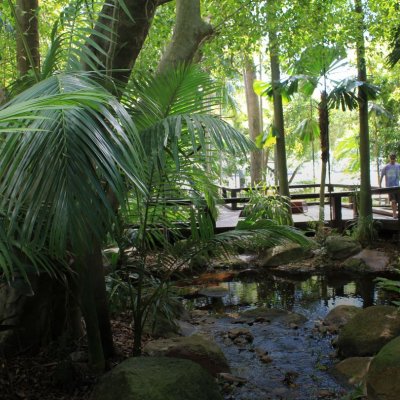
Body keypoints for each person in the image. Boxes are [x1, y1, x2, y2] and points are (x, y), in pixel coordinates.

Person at [379, 152, 400, 218]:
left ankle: (398, 214)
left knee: (398, 200)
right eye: (391, 158)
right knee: (393, 201)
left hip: (397, 186)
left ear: (395, 158)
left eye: (393, 158)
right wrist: (380, 186)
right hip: (389, 187)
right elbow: (381, 176)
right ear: (389, 158)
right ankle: (394, 214)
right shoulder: (386, 167)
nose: (392, 159)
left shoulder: (398, 166)